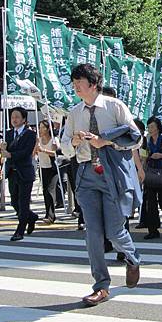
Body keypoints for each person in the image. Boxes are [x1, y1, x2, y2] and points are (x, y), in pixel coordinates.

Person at [60, 63, 142, 306]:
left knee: (115, 232)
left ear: (93, 84)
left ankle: (133, 258)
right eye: (73, 83)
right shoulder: (74, 113)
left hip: (112, 174)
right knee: (92, 234)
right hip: (85, 174)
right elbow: (64, 147)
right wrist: (74, 141)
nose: (75, 87)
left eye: (79, 83)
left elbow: (135, 140)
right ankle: (101, 286)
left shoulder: (114, 106)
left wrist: (105, 142)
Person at [1, 107, 39, 242]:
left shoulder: (30, 134)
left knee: (23, 202)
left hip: (25, 172)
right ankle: (31, 217)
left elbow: (27, 151)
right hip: (12, 172)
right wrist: (3, 149)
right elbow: (5, 151)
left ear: (24, 119)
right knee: (14, 201)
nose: (14, 119)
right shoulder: (8, 134)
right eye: (12, 117)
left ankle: (20, 229)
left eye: (17, 117)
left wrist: (11, 154)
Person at [35, 120, 61, 225]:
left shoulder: (54, 140)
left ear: (48, 129)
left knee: (50, 190)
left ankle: (50, 215)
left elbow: (56, 153)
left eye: (43, 127)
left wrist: (44, 150)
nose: (40, 130)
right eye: (39, 127)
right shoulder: (38, 140)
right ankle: (48, 213)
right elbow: (34, 152)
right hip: (42, 167)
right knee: (45, 190)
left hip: (52, 168)